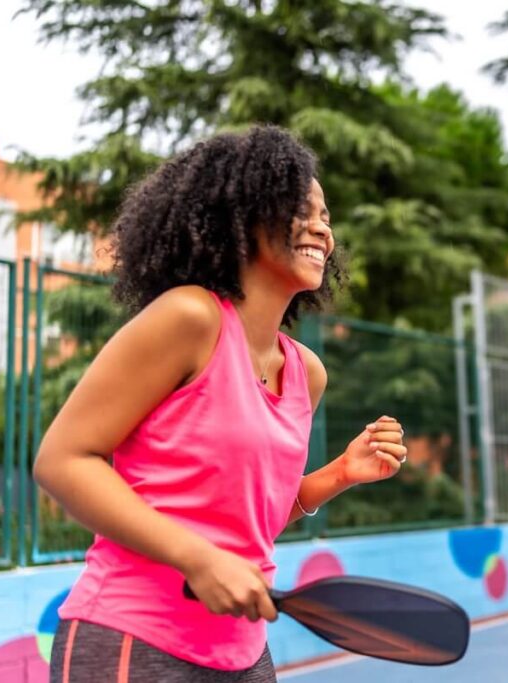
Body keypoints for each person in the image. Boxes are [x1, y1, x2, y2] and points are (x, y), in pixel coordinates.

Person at [33, 125, 408, 682]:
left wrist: (337, 476)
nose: (322, 229)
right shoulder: (190, 318)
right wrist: (196, 559)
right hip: (133, 640)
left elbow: (244, 525)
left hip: (244, 656)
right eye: (299, 209)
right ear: (242, 215)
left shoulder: (306, 372)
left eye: (325, 216)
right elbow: (61, 460)